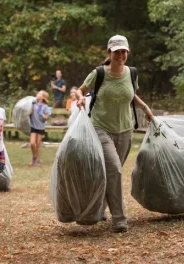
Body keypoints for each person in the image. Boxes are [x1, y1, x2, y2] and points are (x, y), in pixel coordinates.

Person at [76, 34, 153, 233]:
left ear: (128, 52)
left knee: (109, 172)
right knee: (115, 170)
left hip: (125, 130)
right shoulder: (99, 73)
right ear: (109, 52)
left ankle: (100, 208)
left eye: (123, 51)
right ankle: (119, 219)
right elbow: (79, 90)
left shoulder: (132, 73)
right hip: (100, 128)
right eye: (116, 51)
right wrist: (80, 98)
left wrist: (145, 108)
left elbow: (132, 95)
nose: (120, 55)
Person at [29, 90, 50, 166]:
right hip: (33, 126)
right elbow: (30, 113)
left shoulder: (45, 106)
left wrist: (42, 115)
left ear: (43, 97)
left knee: (38, 144)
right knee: (32, 143)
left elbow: (47, 117)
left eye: (39, 94)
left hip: (40, 127)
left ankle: (37, 160)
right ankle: (34, 156)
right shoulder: (33, 104)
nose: (37, 94)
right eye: (37, 93)